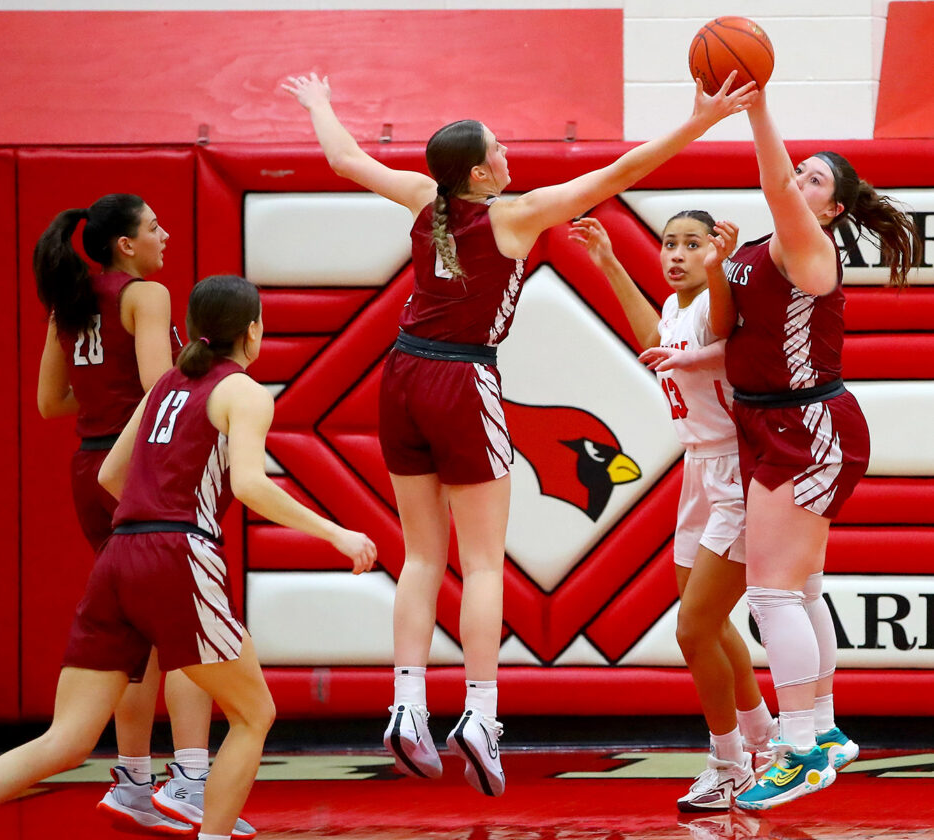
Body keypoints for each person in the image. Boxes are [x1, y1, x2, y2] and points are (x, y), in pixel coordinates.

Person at [282, 69, 758, 796]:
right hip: (460, 378)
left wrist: (319, 103)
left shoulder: (423, 197)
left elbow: (345, 159)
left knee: (421, 556)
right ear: (479, 173)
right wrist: (701, 121)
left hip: (400, 374)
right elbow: (621, 172)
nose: (508, 153)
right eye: (498, 148)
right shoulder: (516, 214)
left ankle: (407, 705)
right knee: (479, 564)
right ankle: (479, 716)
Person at [0, 274, 378, 840]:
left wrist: (149, 517)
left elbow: (109, 475)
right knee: (254, 714)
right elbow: (249, 484)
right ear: (253, 330)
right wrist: (335, 533)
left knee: (66, 741)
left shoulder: (163, 386)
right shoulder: (244, 391)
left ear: (195, 328)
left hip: (119, 553)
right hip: (177, 552)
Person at [703, 93, 920, 809]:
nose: (798, 180)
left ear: (831, 211)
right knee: (799, 590)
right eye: (799, 171)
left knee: (770, 593)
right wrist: (695, 357)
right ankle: (823, 730)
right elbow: (742, 334)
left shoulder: (809, 247)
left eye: (814, 179)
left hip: (807, 427)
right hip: (773, 423)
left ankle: (798, 751)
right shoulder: (764, 247)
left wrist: (757, 107)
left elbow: (772, 182)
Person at [570, 212, 776, 812]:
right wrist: (609, 262)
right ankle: (763, 738)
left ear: (712, 250)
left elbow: (725, 323)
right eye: (669, 244)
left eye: (692, 244)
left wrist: (720, 267)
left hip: (735, 469)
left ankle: (728, 764)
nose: (677, 254)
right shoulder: (675, 305)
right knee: (707, 620)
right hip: (698, 469)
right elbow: (653, 344)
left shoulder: (716, 302)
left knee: (693, 629)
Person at [34, 194, 223, 835]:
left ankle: (135, 782)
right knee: (188, 625)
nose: (164, 235)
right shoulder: (147, 295)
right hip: (136, 469)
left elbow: (50, 402)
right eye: (153, 227)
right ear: (125, 245)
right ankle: (190, 779)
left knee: (137, 632)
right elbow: (157, 388)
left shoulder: (70, 301)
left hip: (87, 468)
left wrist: (102, 396)